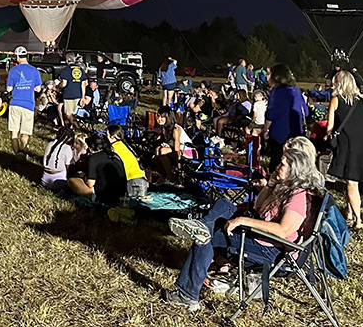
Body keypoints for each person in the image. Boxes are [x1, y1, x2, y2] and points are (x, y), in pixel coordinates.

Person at [163, 141, 322, 310]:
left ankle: (186, 294)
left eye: (282, 164)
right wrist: (270, 184)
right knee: (224, 205)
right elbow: (257, 207)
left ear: (295, 170)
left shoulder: (299, 196)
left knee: (206, 237)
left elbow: (283, 230)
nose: (277, 166)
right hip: (265, 240)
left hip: (271, 251)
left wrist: (243, 221)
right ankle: (201, 226)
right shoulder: (289, 187)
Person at [324, 70, 363, 230]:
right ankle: (349, 212)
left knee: (352, 183)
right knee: (353, 180)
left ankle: (358, 220)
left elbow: (329, 128)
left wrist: (327, 138)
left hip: (347, 144)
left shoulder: (336, 100)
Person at [264, 63, 307, 168]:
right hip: (296, 132)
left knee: (277, 162)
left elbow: (271, 114)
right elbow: (305, 112)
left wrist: (265, 129)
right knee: (293, 163)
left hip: (279, 132)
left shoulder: (276, 92)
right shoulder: (296, 91)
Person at [67, 132, 127, 205]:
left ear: (91, 148)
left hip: (103, 195)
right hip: (121, 194)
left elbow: (90, 184)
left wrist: (84, 176)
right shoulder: (115, 156)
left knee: (72, 181)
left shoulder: (94, 159)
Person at [6, 46, 43, 153]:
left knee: (14, 132)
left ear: (17, 56)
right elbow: (38, 88)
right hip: (29, 104)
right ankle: (23, 150)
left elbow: (9, 89)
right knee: (25, 132)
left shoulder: (13, 70)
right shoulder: (34, 70)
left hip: (15, 103)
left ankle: (17, 154)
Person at [108, 124, 148, 200]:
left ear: (112, 136)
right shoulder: (125, 145)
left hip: (131, 181)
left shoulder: (113, 148)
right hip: (142, 179)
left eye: (107, 135)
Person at [41, 125, 78, 190]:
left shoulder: (50, 143)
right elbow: (67, 167)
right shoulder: (67, 148)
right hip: (58, 181)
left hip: (44, 179)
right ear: (68, 138)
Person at [57, 56, 87, 125]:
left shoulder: (66, 70)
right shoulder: (80, 69)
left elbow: (64, 84)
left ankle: (74, 127)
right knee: (73, 113)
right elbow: (83, 84)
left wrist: (58, 86)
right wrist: (83, 97)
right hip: (78, 94)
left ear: (67, 61)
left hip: (68, 95)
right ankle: (72, 127)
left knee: (68, 114)